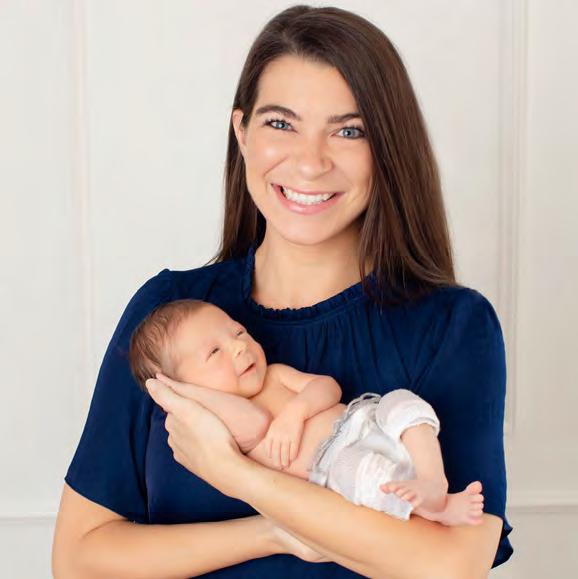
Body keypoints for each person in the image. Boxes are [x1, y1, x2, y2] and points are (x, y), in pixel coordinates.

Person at [52, 5, 514, 578]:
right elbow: (79, 560)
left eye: (348, 131)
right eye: (281, 124)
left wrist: (240, 475)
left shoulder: (452, 326)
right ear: (241, 133)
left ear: (387, 149)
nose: (310, 163)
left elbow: (451, 566)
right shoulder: (168, 314)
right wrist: (269, 533)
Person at [127, 298, 486, 526]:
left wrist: (296, 411)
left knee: (401, 403)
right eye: (214, 352)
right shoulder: (222, 421)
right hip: (334, 463)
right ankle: (437, 510)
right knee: (366, 479)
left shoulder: (275, 375)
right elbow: (257, 424)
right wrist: (186, 396)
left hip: (363, 420)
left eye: (237, 332)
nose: (238, 347)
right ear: (184, 387)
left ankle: (433, 479)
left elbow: (329, 387)